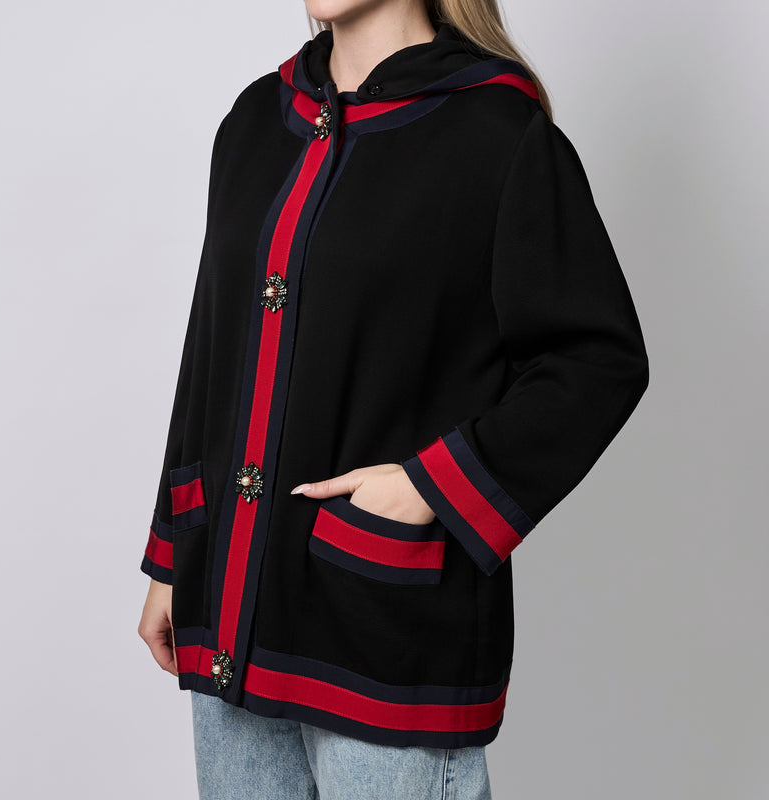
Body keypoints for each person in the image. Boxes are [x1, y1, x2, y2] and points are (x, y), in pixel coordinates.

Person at [137, 0, 649, 797]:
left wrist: (428, 487)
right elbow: (212, 347)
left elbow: (596, 360)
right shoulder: (254, 121)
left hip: (387, 648)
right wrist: (174, 557)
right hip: (232, 623)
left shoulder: (495, 134)